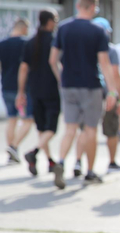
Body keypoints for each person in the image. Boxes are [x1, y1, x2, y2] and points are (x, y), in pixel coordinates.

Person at [50, 0, 118, 189]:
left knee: (70, 128)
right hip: (91, 86)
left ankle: (61, 162)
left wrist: (61, 78)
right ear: (94, 8)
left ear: (78, 5)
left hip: (68, 85)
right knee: (90, 130)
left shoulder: (63, 28)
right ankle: (89, 171)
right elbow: (104, 63)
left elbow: (53, 59)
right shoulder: (98, 31)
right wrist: (112, 91)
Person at [19, 9, 60, 176]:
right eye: (55, 20)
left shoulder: (30, 42)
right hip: (51, 89)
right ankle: (34, 152)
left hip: (34, 90)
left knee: (42, 128)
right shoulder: (55, 41)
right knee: (51, 128)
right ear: (50, 22)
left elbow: (23, 68)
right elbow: (57, 63)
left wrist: (21, 92)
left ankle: (50, 161)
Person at [85, 17, 120, 174]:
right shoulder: (111, 50)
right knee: (111, 130)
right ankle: (112, 162)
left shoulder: (84, 49)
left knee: (87, 130)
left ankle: (79, 163)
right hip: (109, 93)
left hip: (89, 92)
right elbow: (115, 75)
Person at [1, 18, 34, 164]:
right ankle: (14, 147)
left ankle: (11, 152)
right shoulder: (26, 44)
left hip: (7, 86)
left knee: (12, 119)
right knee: (28, 120)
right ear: (23, 28)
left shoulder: (2, 44)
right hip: (23, 89)